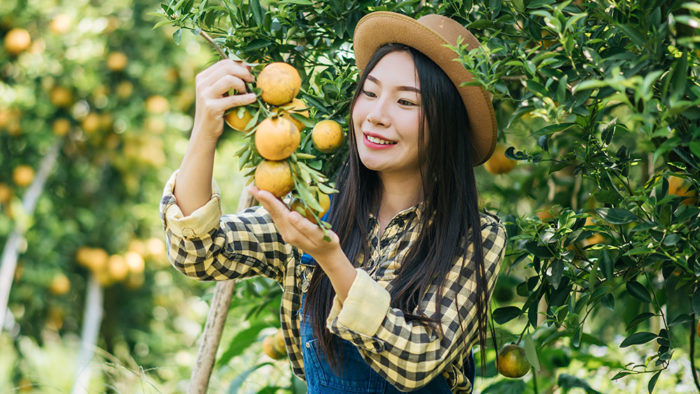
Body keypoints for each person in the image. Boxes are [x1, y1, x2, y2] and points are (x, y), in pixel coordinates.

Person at [160, 11, 506, 394]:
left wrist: (330, 259)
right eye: (370, 93)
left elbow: (417, 359)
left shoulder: (474, 236)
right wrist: (205, 131)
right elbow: (199, 253)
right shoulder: (316, 210)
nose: (376, 115)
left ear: (447, 125)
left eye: (406, 102)